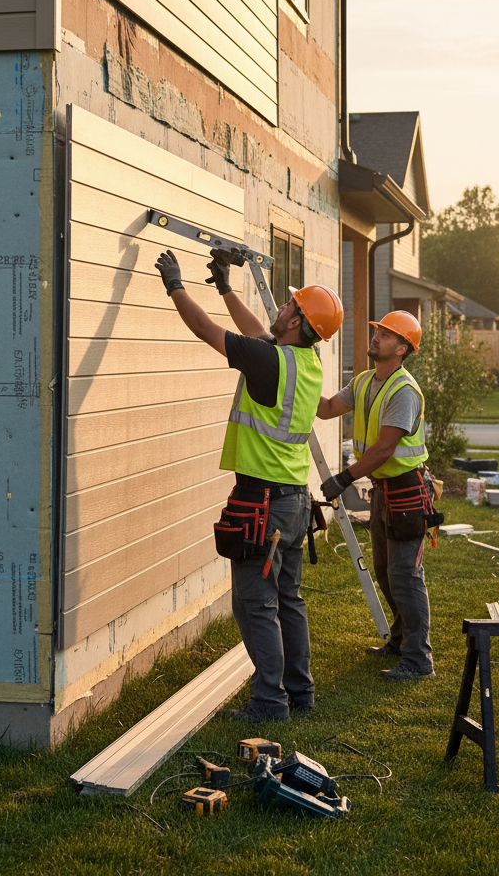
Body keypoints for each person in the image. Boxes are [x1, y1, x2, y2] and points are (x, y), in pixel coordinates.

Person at [155, 247, 343, 721]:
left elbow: (206, 331)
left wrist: (175, 285)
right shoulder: (305, 361)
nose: (280, 307)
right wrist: (224, 288)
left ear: (298, 323)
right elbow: (257, 333)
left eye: (289, 305)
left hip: (263, 502)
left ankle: (269, 702)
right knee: (288, 601)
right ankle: (299, 693)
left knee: (256, 604)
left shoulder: (270, 361)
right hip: (295, 503)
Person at [317, 311, 437, 681]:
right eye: (377, 332)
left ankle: (419, 659)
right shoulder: (365, 381)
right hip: (384, 491)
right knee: (386, 573)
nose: (376, 338)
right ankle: (400, 641)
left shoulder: (404, 391)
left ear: (403, 348)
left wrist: (343, 478)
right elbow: (325, 410)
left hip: (408, 492)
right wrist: (295, 376)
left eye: (386, 335)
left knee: (405, 575)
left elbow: (385, 449)